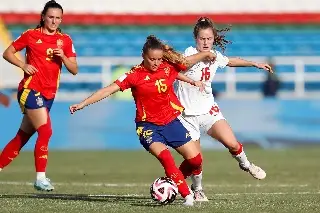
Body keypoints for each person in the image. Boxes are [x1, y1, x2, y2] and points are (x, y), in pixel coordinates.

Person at [69, 35, 215, 206]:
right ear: (143, 56)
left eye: (159, 59)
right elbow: (108, 90)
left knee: (196, 160)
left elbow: (181, 65)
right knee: (167, 158)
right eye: (152, 59)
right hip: (148, 127)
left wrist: (200, 64)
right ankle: (187, 196)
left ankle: (170, 182)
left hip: (171, 122)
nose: (156, 63)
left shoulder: (167, 67)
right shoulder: (134, 75)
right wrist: (83, 103)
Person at [175, 17, 273, 201]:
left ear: (213, 39)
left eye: (209, 39)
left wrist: (254, 64)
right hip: (186, 115)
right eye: (202, 38)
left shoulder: (214, 56)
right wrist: (204, 56)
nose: (205, 42)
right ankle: (198, 189)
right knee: (196, 159)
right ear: (195, 39)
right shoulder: (189, 53)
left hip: (208, 111)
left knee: (232, 143)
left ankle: (246, 165)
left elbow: (229, 61)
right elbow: (179, 66)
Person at [0, 0, 77, 191]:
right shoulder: (31, 35)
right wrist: (22, 65)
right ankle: (40, 178)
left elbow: (74, 69)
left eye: (58, 18)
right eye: (50, 17)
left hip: (49, 94)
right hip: (30, 89)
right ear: (43, 17)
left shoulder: (65, 40)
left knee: (22, 137)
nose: (54, 21)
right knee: (46, 130)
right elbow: (7, 52)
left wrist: (64, 57)